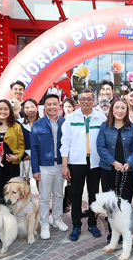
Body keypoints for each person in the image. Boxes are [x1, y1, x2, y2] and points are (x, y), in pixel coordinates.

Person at [61, 89, 107, 241]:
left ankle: (92, 224)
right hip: (77, 162)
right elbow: (65, 143)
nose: (86, 101)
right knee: (76, 195)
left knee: (94, 194)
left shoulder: (101, 118)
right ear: (78, 101)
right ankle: (76, 226)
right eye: (83, 99)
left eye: (89, 99)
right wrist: (65, 165)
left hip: (95, 163)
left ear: (94, 101)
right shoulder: (70, 118)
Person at [97, 99, 133, 240]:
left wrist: (130, 163)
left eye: (123, 108)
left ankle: (124, 232)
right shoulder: (105, 126)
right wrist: (114, 162)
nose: (120, 111)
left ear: (127, 111)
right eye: (117, 107)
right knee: (110, 202)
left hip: (127, 170)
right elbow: (101, 147)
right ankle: (112, 233)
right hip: (108, 169)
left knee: (125, 202)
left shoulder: (132, 128)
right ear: (112, 109)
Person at [31, 94, 69, 239]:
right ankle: (45, 223)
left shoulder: (66, 123)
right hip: (44, 166)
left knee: (59, 194)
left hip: (60, 165)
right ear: (44, 107)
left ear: (59, 106)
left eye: (55, 104)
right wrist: (35, 169)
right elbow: (34, 149)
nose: (52, 107)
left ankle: (57, 218)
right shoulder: (38, 125)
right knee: (44, 197)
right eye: (49, 104)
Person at [19, 98, 40, 181]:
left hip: (40, 156)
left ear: (37, 108)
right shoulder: (18, 123)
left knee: (40, 181)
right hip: (24, 156)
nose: (30, 110)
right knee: (24, 183)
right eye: (27, 107)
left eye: (32, 107)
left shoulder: (43, 122)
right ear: (23, 109)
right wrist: (23, 155)